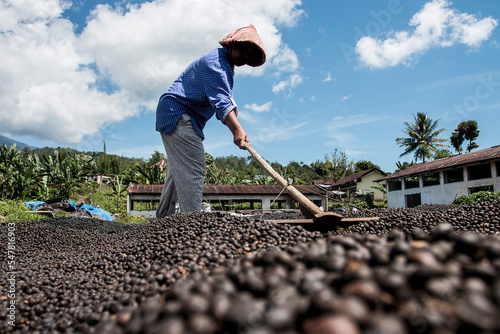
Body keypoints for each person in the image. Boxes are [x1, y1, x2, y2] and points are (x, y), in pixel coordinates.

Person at [155, 25, 266, 218]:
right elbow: (221, 101)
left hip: (172, 112)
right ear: (231, 44)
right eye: (243, 51)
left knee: (177, 172)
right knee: (194, 168)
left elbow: (226, 99)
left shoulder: (223, 64)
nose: (245, 58)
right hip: (178, 113)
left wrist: (235, 121)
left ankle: (163, 219)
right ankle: (193, 221)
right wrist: (237, 129)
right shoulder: (216, 64)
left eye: (249, 57)